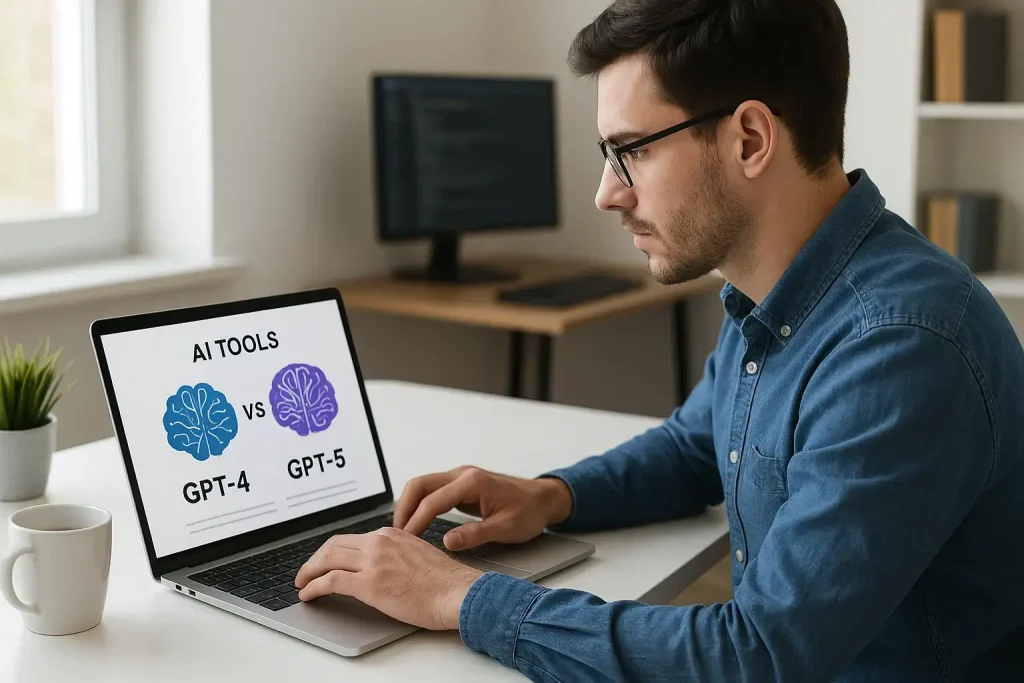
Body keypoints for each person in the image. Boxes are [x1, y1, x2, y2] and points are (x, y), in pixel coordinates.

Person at [294, 0, 1024, 680]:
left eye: (631, 150)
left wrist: (463, 597)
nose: (606, 192)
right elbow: (694, 445)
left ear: (749, 139)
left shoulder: (899, 347)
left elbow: (758, 654)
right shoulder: (778, 292)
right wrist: (552, 495)